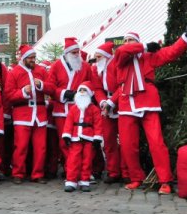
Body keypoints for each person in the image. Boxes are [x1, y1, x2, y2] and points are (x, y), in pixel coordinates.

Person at [112, 24, 187, 195]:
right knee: (128, 145)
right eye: (125, 40)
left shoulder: (148, 57)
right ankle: (136, 178)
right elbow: (122, 52)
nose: (127, 43)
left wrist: (185, 37)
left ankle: (165, 180)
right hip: (126, 104)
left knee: (156, 143)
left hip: (148, 102)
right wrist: (142, 46)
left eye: (131, 40)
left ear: (137, 42)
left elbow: (170, 53)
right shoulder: (120, 57)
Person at [4, 44, 54, 184]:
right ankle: (18, 173)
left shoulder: (41, 71)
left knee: (40, 146)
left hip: (39, 114)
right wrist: (23, 92)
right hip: (22, 114)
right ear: (24, 58)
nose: (33, 60)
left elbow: (51, 88)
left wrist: (41, 85)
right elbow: (9, 95)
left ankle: (37, 174)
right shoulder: (14, 72)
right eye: (30, 58)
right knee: (21, 146)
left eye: (34, 57)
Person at [47, 37, 92, 173]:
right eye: (73, 53)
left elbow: (91, 83)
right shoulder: (56, 66)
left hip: (80, 108)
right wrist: (65, 93)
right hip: (61, 109)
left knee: (79, 140)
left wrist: (83, 91)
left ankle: (80, 169)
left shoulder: (85, 66)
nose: (77, 55)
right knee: (64, 141)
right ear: (66, 53)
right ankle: (71, 169)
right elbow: (51, 87)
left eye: (78, 52)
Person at [90, 41, 128, 184]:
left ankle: (126, 172)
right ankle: (113, 171)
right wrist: (103, 102)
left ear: (106, 56)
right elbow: (97, 88)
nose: (96, 60)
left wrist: (111, 102)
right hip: (106, 105)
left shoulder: (116, 65)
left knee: (125, 141)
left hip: (121, 103)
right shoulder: (96, 70)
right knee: (108, 140)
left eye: (99, 57)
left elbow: (122, 86)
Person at [61, 82, 103, 192]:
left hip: (89, 138)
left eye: (85, 90)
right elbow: (68, 122)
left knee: (87, 160)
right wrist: (66, 135)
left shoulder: (94, 109)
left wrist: (97, 137)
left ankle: (85, 181)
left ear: (89, 93)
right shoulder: (74, 108)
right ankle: (71, 181)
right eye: (80, 90)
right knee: (73, 160)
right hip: (75, 137)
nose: (82, 92)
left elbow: (98, 123)